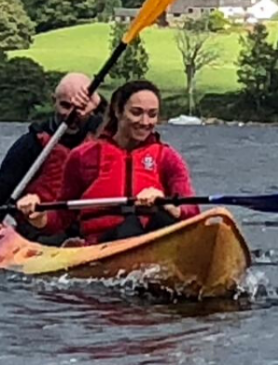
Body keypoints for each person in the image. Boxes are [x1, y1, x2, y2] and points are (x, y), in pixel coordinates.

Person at [16, 80, 201, 245]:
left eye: (152, 115)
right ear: (118, 111)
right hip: (103, 243)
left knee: (159, 220)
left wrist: (167, 203)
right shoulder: (83, 156)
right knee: (130, 226)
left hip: (151, 233)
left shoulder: (167, 157)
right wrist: (39, 215)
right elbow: (61, 217)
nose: (145, 122)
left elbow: (191, 209)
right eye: (136, 113)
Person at [0, 72, 105, 244]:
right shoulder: (30, 144)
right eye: (65, 106)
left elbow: (124, 117)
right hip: (41, 234)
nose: (71, 115)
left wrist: (98, 102)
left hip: (89, 232)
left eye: (79, 109)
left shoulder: (103, 135)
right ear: (54, 101)